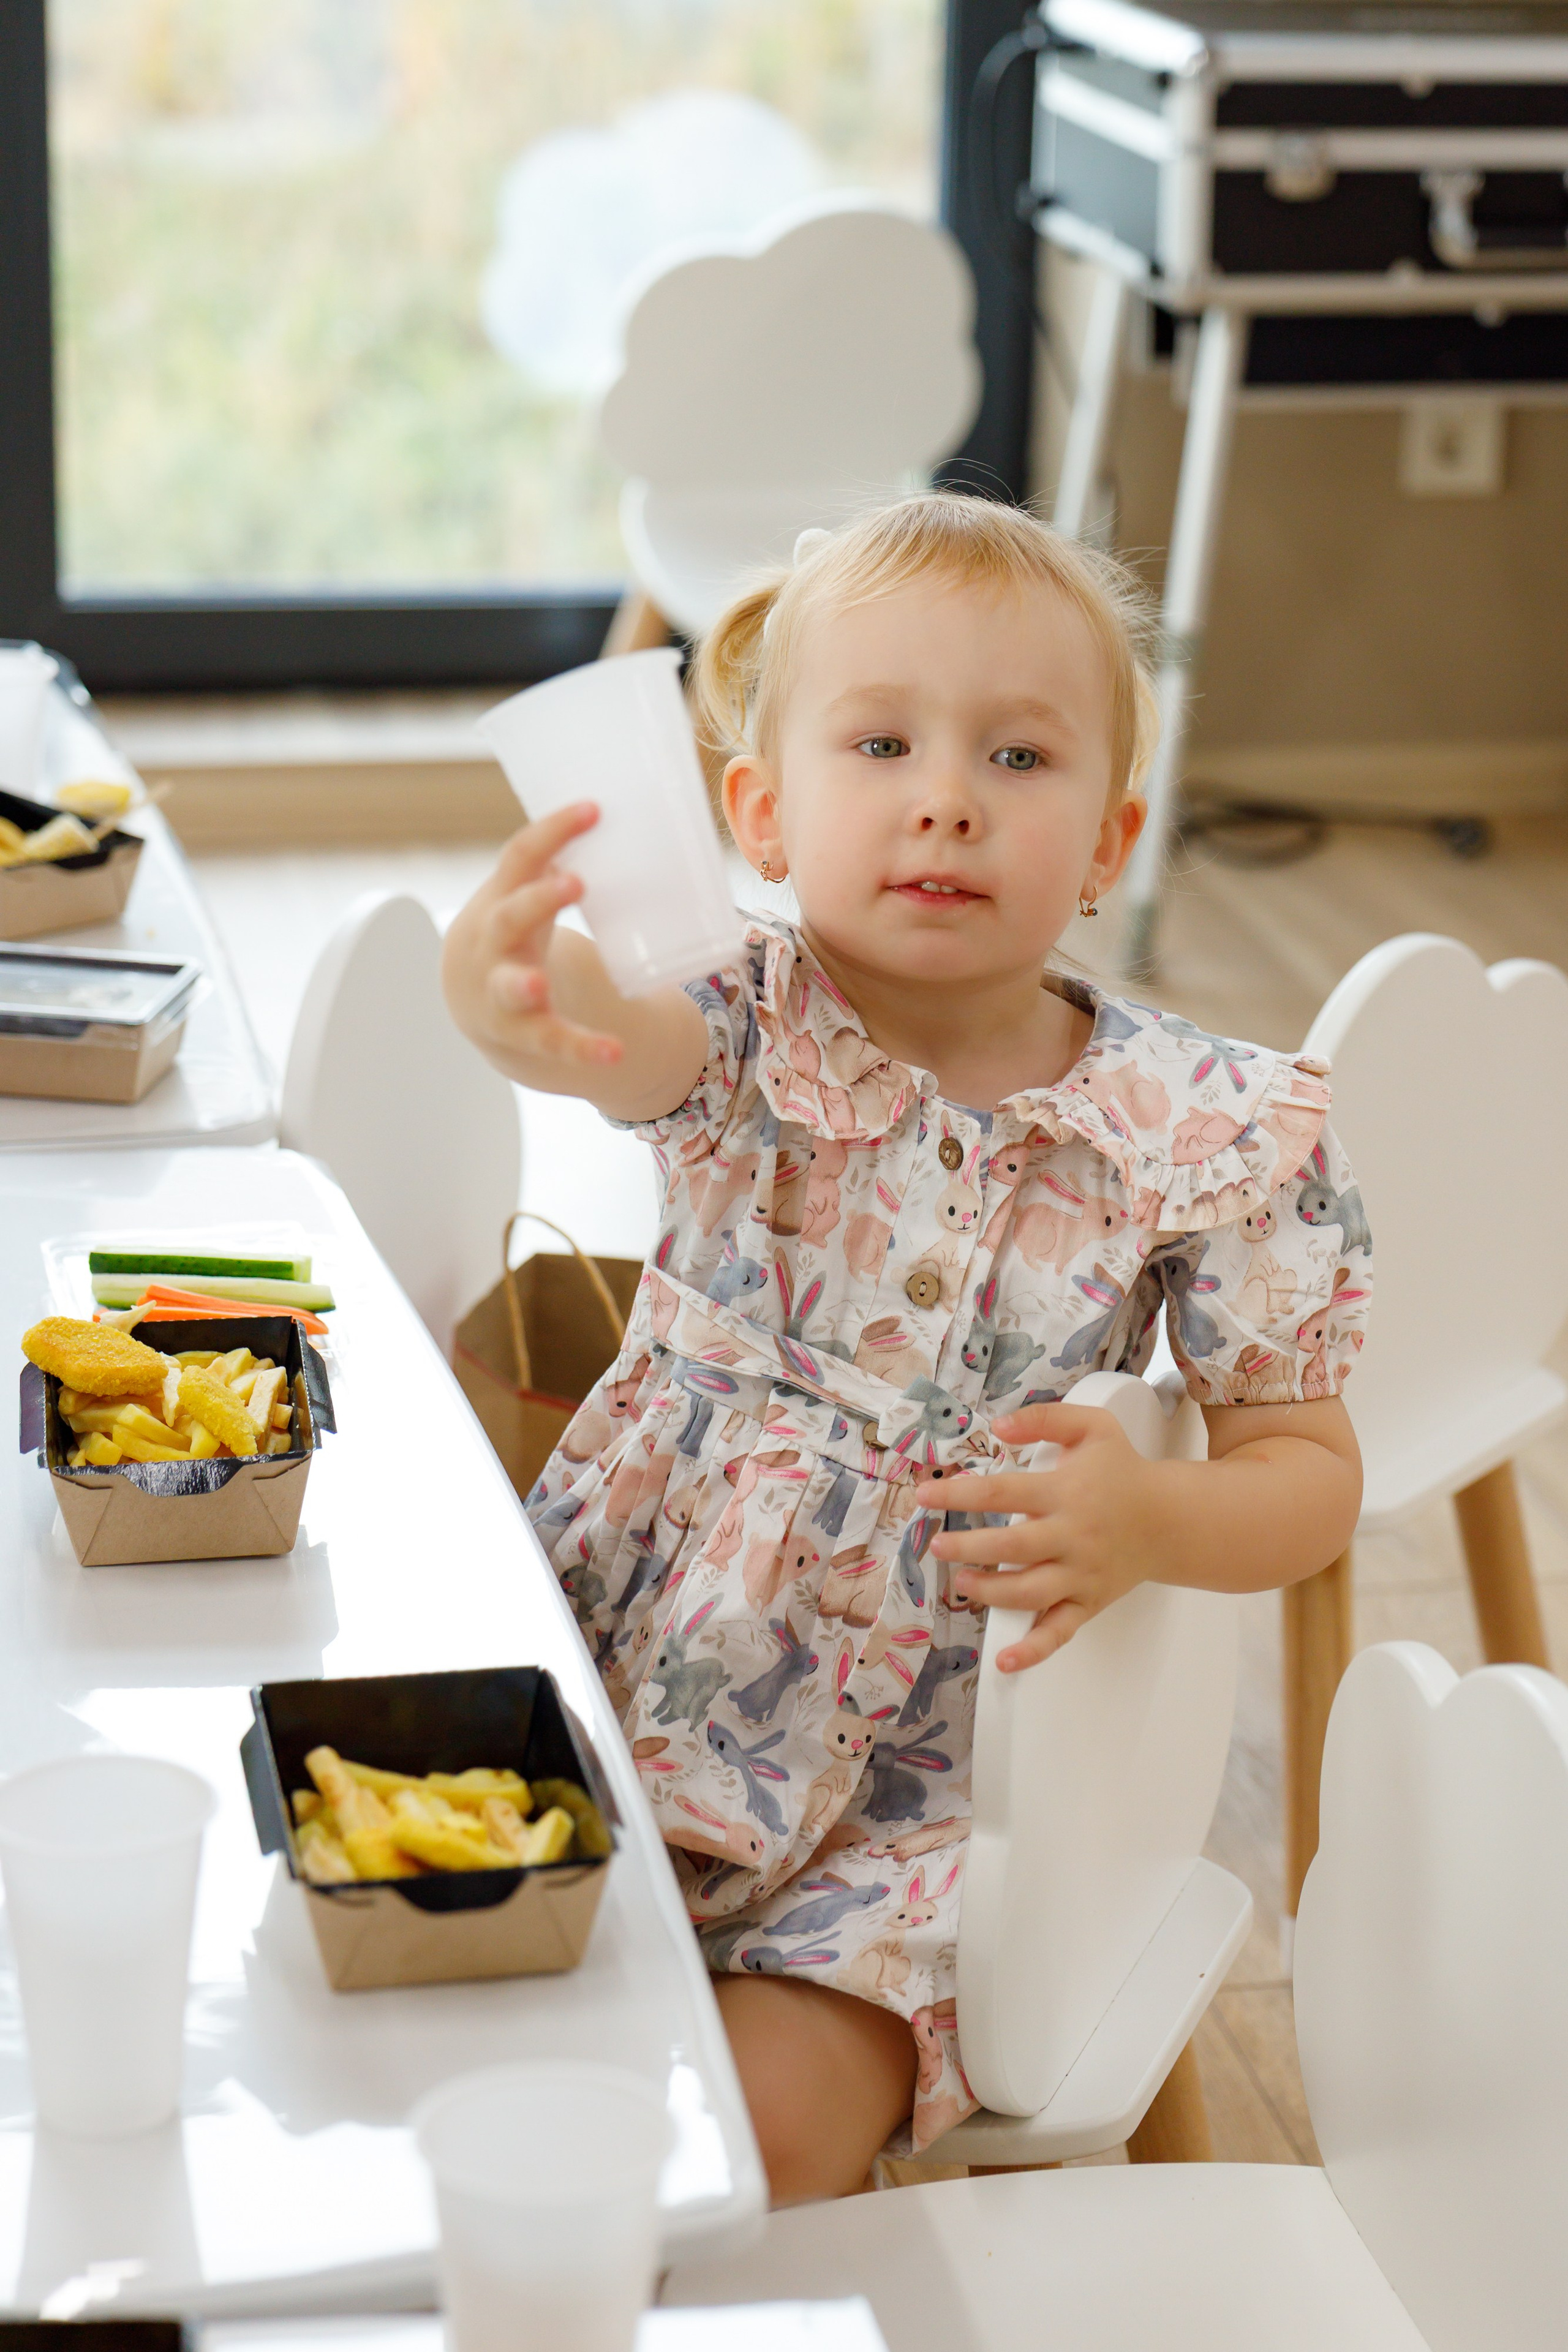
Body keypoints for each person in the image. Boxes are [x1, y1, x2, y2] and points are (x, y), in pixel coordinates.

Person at [443, 494, 1370, 2203]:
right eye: (882, 743)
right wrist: (511, 1001)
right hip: (620, 1675)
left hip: (931, 1797)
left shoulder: (1202, 1129)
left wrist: (1159, 1523)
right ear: (765, 813)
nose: (947, 794)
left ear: (1110, 841)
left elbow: (1308, 1480)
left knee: (750, 2140)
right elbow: (609, 1032)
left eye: (1020, 760)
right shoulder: (735, 1027)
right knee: (460, 2036)